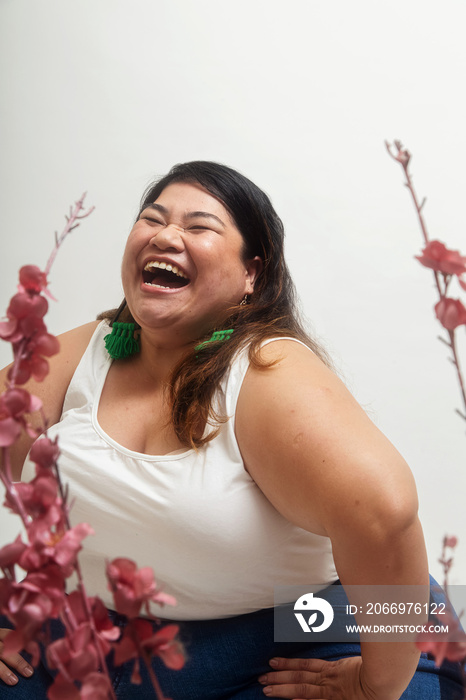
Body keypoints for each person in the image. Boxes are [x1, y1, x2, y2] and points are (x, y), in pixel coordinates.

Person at [0, 161, 463, 699]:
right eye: (152, 219)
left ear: (253, 275)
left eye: (199, 227)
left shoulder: (267, 373)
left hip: (303, 632)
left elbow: (385, 513)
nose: (166, 235)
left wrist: (375, 684)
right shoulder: (87, 352)